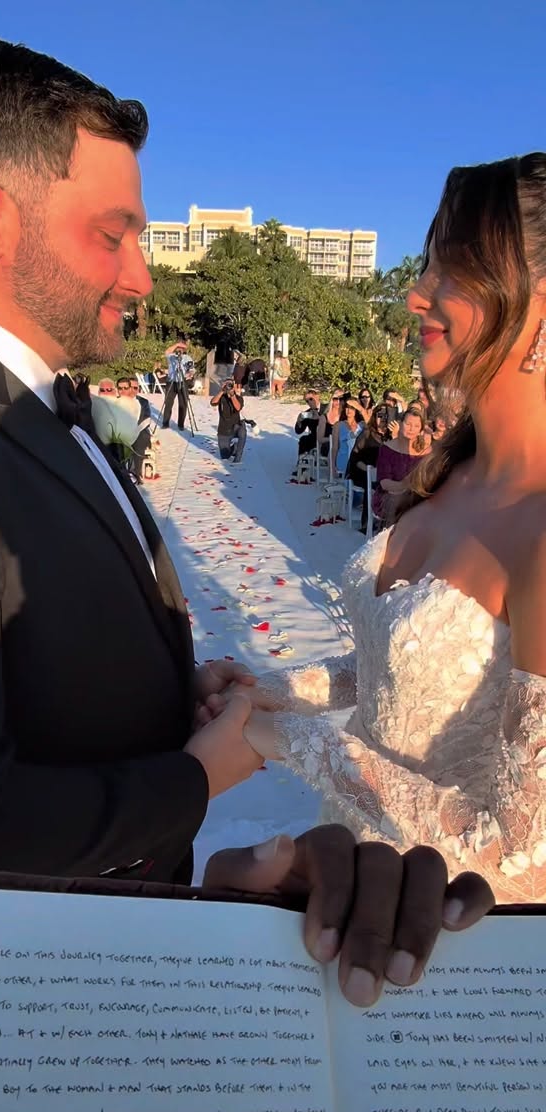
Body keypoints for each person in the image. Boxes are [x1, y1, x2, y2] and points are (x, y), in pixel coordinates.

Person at [0, 42, 496, 1008]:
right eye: (114, 233)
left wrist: (169, 689)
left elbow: (27, 648)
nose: (142, 275)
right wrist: (193, 780)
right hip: (31, 997)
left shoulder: (30, 412)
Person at [217, 152, 546, 906]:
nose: (414, 293)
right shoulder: (453, 474)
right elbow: (391, 673)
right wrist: (262, 692)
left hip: (437, 940)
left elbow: (522, 856)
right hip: (342, 884)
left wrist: (282, 739)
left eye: (451, 269)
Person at [372, 406, 428, 520]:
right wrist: (404, 486)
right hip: (390, 495)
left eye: (416, 426)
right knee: (400, 503)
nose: (411, 429)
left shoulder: (427, 451)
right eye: (408, 424)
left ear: (421, 430)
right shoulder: (387, 448)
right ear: (400, 424)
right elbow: (384, 483)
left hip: (417, 496)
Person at [346, 402, 391, 532]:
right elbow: (355, 457)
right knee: (370, 482)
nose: (382, 419)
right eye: (379, 415)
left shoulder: (392, 436)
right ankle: (367, 523)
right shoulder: (367, 433)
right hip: (363, 470)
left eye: (385, 416)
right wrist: (368, 470)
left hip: (384, 473)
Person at [116, 376, 153, 483]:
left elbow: (146, 419)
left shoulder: (143, 402)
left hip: (140, 431)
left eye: (135, 388)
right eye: (130, 387)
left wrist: (135, 431)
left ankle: (135, 473)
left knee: (140, 439)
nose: (132, 391)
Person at [211, 378, 247, 463]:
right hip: (223, 429)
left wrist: (232, 395)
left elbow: (238, 407)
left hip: (235, 427)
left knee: (242, 431)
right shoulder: (221, 397)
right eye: (227, 384)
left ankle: (237, 458)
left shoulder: (238, 398)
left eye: (230, 385)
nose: (228, 386)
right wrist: (222, 391)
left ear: (234, 386)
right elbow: (213, 402)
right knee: (225, 456)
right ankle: (234, 448)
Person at [330, 398, 364, 477]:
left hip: (358, 460)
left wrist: (361, 409)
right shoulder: (338, 425)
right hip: (343, 459)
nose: (349, 410)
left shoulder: (362, 425)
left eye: (352, 408)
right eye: (347, 407)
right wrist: (332, 466)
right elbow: (334, 448)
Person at [162, 341, 192, 429]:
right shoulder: (171, 357)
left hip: (182, 381)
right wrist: (177, 344)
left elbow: (191, 369)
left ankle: (181, 424)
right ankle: (165, 423)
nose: (179, 350)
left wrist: (189, 374)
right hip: (172, 381)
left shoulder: (187, 358)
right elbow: (167, 352)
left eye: (181, 349)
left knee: (183, 403)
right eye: (178, 349)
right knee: (168, 403)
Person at [294, 390, 321, 457]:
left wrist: (320, 418)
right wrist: (299, 421)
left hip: (327, 435)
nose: (309, 402)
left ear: (317, 396)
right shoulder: (308, 413)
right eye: (307, 401)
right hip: (314, 437)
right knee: (303, 439)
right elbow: (298, 431)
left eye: (311, 399)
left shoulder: (327, 408)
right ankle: (302, 462)